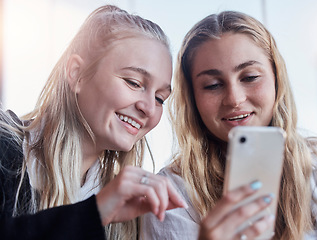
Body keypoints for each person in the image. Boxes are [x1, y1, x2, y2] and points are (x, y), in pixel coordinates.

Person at [140, 11, 317, 240]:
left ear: (276, 79)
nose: (234, 99)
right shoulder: (172, 194)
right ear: (193, 98)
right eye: (213, 85)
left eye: (250, 77)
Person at [0, 5, 187, 240]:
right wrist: (95, 213)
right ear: (77, 73)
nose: (149, 108)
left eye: (160, 98)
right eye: (133, 82)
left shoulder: (128, 210)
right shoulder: (4, 148)